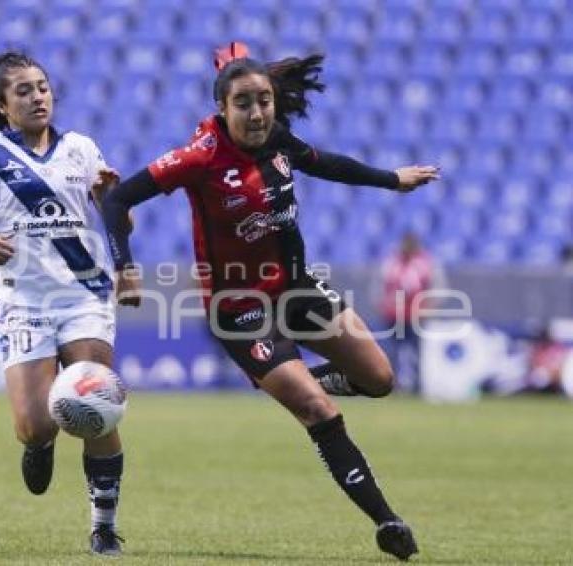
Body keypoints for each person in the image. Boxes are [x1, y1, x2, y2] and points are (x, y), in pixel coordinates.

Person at [103, 41, 439, 561]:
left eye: (264, 100)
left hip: (298, 287)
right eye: (244, 103)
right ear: (222, 108)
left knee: (381, 380)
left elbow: (326, 163)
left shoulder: (278, 140)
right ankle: (387, 521)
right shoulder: (201, 157)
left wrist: (391, 179)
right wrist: (125, 268)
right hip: (240, 309)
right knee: (318, 411)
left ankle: (295, 379)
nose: (257, 112)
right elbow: (117, 197)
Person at [0, 50, 128, 555]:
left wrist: (114, 202)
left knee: (99, 406)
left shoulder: (82, 149)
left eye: (42, 87)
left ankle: (104, 525)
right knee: (34, 423)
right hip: (23, 301)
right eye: (23, 90)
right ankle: (39, 443)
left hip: (84, 295)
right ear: (3, 105)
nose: (37, 96)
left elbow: (115, 221)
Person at [377, 232, 446, 393]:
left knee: (416, 352)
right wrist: (382, 304)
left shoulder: (425, 263)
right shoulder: (391, 262)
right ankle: (391, 386)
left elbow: (437, 287)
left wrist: (428, 307)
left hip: (415, 316)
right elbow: (380, 286)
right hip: (393, 316)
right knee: (390, 353)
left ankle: (417, 386)